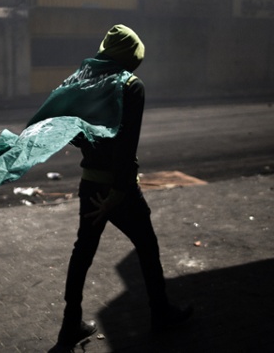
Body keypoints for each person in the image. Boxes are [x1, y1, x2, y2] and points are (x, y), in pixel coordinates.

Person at [49, 25, 193, 351]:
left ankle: (70, 326)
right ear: (132, 55)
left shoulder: (87, 83)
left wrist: (89, 146)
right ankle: (161, 313)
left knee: (82, 253)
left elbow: (69, 129)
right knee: (147, 246)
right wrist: (118, 193)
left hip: (90, 185)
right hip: (119, 190)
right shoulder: (131, 87)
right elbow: (127, 147)